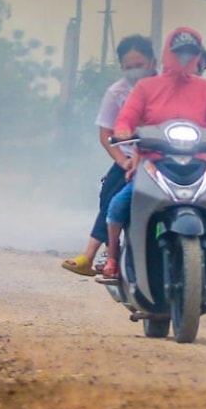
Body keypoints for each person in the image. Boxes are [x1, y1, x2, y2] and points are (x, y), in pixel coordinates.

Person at [97, 26, 206, 289]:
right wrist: (122, 131)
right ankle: (111, 257)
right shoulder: (146, 87)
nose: (185, 57)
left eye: (191, 52)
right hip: (152, 162)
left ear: (198, 54)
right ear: (168, 53)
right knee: (119, 203)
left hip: (197, 162)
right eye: (180, 52)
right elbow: (126, 118)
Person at [62, 35, 156, 277]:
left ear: (153, 62)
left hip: (168, 157)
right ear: (121, 67)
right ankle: (96, 254)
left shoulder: (166, 85)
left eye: (140, 65)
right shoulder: (117, 93)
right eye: (129, 67)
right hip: (129, 158)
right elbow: (106, 135)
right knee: (110, 194)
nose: (135, 71)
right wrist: (122, 161)